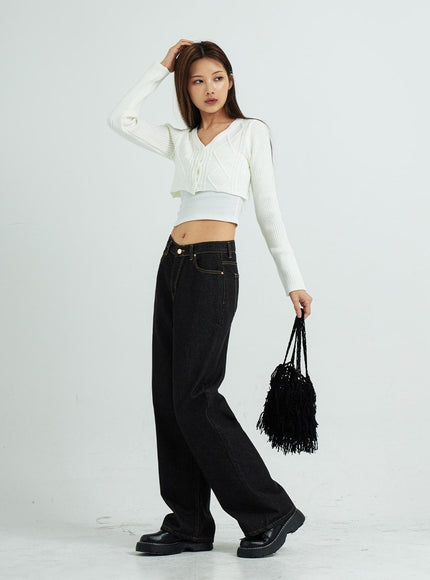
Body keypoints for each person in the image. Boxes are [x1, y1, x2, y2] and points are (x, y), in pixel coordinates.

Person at [107, 38, 313, 559]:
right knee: (169, 398)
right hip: (172, 265)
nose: (209, 88)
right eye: (197, 80)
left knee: (196, 396)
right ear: (187, 88)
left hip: (213, 267)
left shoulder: (249, 133)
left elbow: (268, 211)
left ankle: (270, 511)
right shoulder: (181, 140)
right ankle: (190, 523)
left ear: (231, 80)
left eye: (217, 77)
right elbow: (120, 120)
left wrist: (293, 279)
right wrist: (161, 67)